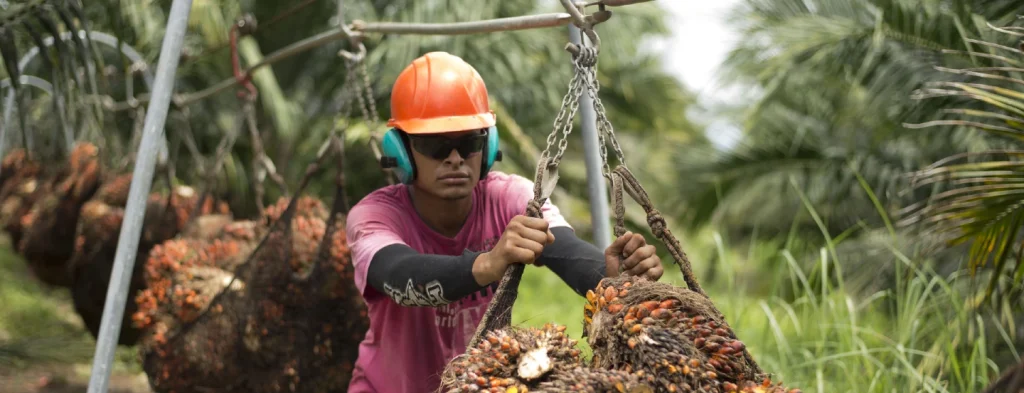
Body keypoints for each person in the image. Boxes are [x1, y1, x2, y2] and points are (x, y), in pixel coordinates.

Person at [344, 51, 665, 393]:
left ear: (488, 145)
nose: (455, 159)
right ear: (403, 150)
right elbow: (398, 273)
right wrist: (486, 264)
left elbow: (566, 251)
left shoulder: (510, 198)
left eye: (469, 142)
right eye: (435, 145)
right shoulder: (374, 216)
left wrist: (612, 277)